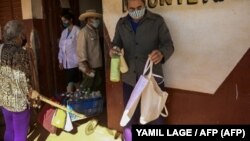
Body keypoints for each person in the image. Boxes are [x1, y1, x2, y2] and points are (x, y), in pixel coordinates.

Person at [110, 0, 174, 140]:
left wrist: (161, 53)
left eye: (139, 7)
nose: (136, 11)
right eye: (132, 8)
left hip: (153, 79)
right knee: (130, 118)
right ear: (127, 7)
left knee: (155, 117)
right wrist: (113, 50)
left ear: (145, 5)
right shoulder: (122, 24)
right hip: (130, 80)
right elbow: (115, 44)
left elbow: (169, 45)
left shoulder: (157, 21)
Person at [0, 20, 39, 141]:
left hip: (4, 99)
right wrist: (31, 91)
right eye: (23, 33)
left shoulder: (2, 49)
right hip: (18, 102)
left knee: (10, 129)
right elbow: (20, 77)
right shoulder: (20, 52)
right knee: (20, 133)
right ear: (18, 35)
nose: (24, 35)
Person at [77, 9, 103, 91]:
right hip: (89, 67)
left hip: (96, 66)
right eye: (95, 18)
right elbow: (81, 50)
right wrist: (87, 67)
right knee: (87, 89)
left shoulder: (95, 31)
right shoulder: (83, 32)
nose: (97, 20)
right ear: (89, 20)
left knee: (96, 88)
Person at [58, 11, 81, 92]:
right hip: (66, 64)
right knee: (75, 82)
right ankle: (78, 97)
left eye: (65, 20)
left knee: (70, 83)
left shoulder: (77, 30)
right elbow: (61, 48)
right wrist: (60, 61)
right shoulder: (63, 32)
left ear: (71, 19)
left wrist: (81, 60)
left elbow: (81, 46)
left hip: (75, 62)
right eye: (62, 21)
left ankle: (70, 98)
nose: (63, 22)